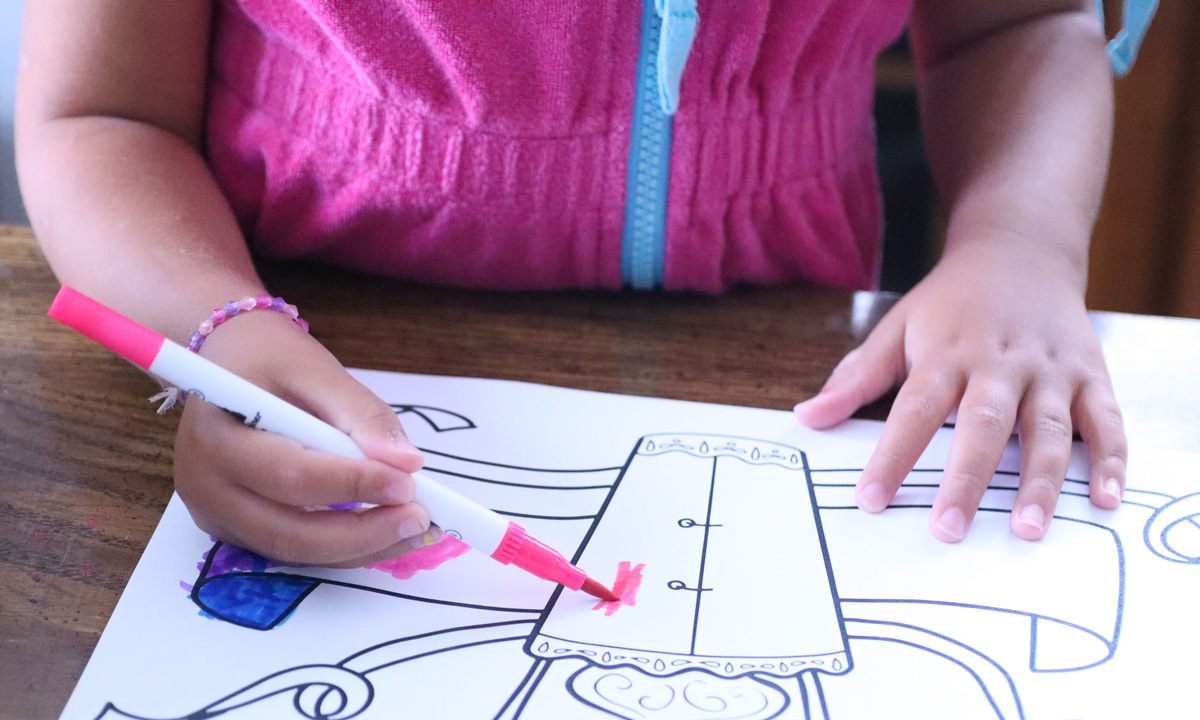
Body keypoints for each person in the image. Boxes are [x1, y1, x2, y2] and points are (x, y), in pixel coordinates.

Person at [16, 0, 1129, 566]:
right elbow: (102, 113)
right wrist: (218, 336)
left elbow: (1021, 25)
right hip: (294, 335)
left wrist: (1019, 239)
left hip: (771, 368)